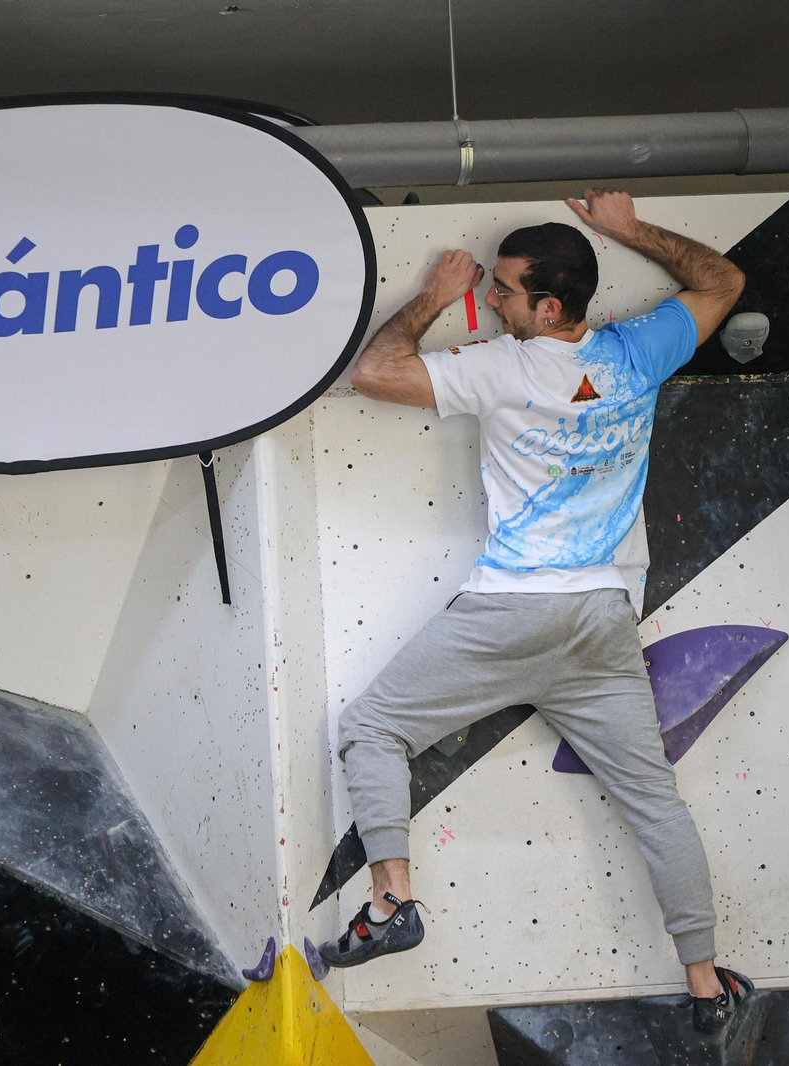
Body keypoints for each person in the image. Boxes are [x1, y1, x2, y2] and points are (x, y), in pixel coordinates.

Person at [319, 188, 754, 1034]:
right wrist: (629, 229)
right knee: (654, 802)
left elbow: (374, 371)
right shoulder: (637, 352)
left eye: (505, 290)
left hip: (513, 613)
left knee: (372, 728)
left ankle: (391, 904)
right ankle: (706, 985)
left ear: (548, 308)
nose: (492, 300)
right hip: (601, 621)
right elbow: (723, 281)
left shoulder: (499, 367)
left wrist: (433, 298)